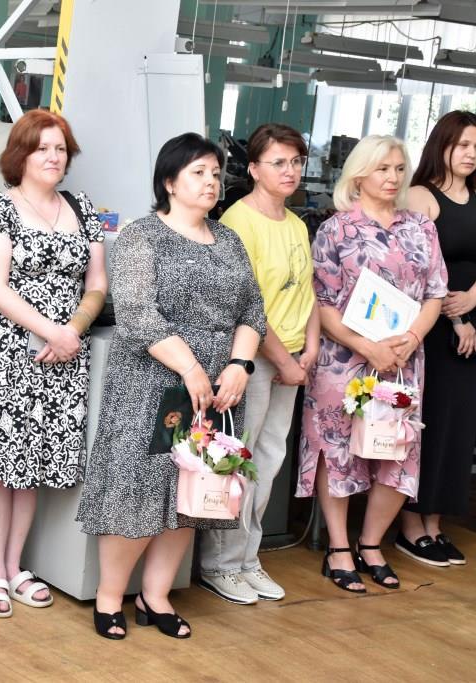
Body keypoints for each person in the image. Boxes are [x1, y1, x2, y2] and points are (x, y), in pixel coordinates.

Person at [76, 133, 265, 639]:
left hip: (218, 389)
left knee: (192, 490)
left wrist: (240, 366)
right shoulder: (142, 236)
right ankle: (110, 597)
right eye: (198, 173)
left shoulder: (228, 240)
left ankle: (155, 595)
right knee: (137, 488)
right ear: (169, 182)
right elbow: (137, 313)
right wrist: (191, 368)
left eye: (215, 173)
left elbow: (253, 310)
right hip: (152, 382)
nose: (211, 182)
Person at [0, 109, 108, 618]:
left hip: (65, 353)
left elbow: (97, 283)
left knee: (33, 466)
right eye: (43, 148)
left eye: (61, 149)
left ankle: (17, 567)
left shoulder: (83, 208)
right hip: (10, 352)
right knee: (0, 466)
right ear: (20, 154)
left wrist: (73, 330)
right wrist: (52, 331)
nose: (53, 157)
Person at [298, 135, 447, 593]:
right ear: (359, 174)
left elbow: (435, 293)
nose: (393, 178)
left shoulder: (421, 227)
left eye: (399, 169)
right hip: (343, 360)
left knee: (396, 449)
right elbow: (321, 304)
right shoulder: (335, 229)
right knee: (337, 450)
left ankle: (371, 543)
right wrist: (367, 346)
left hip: (402, 359)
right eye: (383, 168)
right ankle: (339, 547)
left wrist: (411, 339)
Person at [198, 123, 318, 604]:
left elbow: (308, 292)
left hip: (292, 361)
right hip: (255, 360)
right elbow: (247, 307)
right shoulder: (237, 222)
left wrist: (309, 349)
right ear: (253, 169)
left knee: (268, 463)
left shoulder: (296, 224)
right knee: (237, 461)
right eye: (278, 162)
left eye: (296, 162)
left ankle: (248, 559)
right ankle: (220, 564)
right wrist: (285, 361)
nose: (290, 171)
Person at [400, 112, 476, 566]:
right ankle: (410, 522)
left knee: (458, 425)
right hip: (430, 324)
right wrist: (453, 311)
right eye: (462, 144)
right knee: (426, 421)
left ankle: (435, 522)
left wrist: (472, 301)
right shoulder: (419, 196)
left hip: (470, 323)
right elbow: (416, 267)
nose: (471, 154)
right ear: (441, 145)